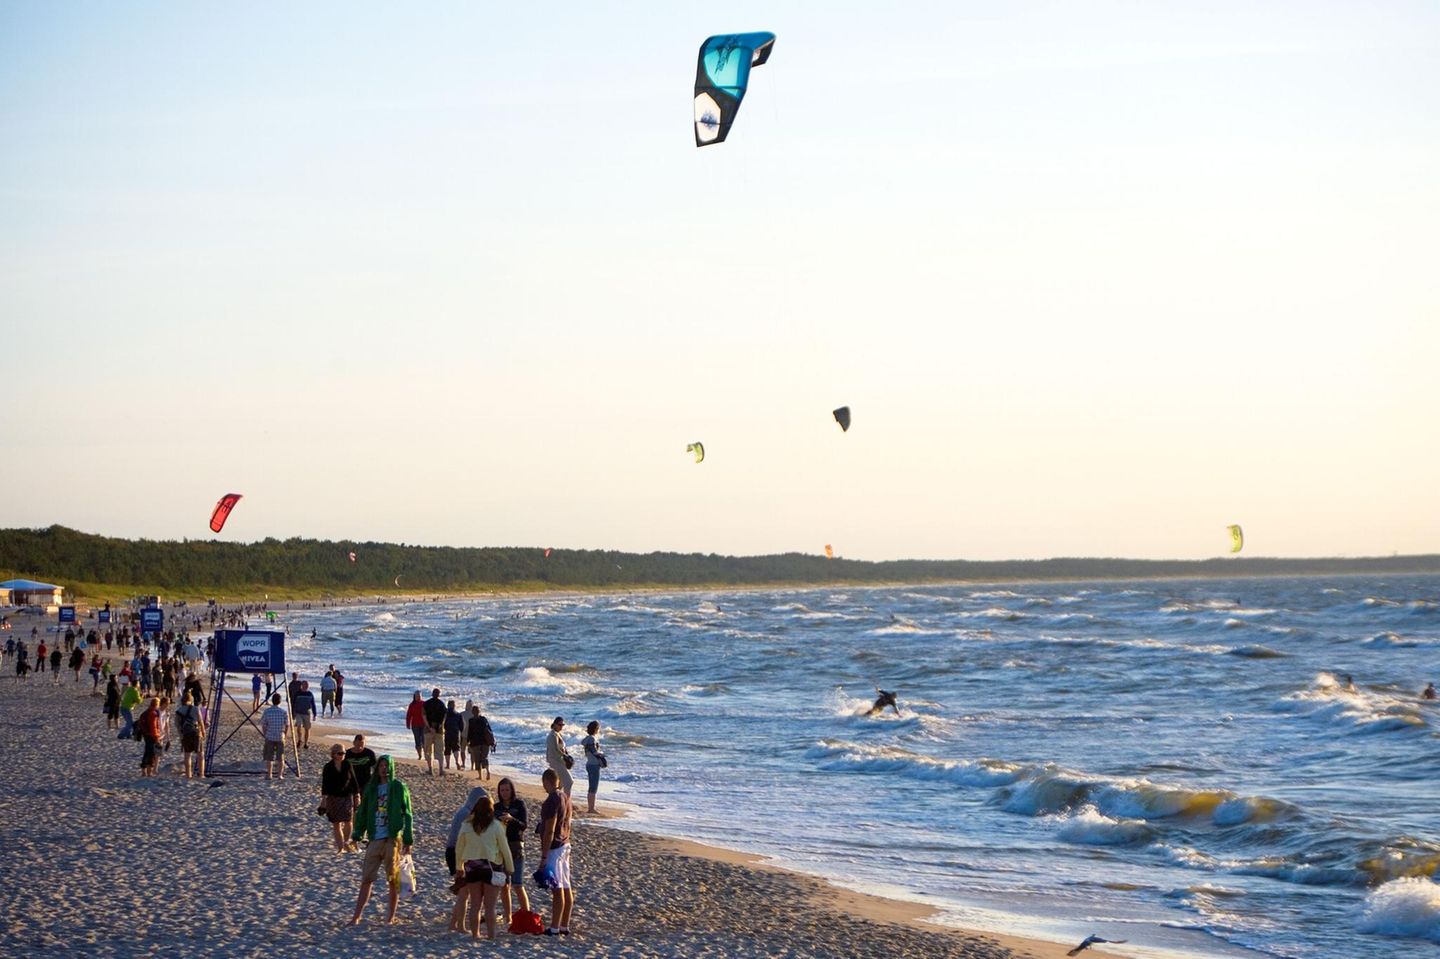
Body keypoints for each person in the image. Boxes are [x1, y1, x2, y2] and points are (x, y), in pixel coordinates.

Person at [349, 755, 413, 926]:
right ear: (377, 768)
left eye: (387, 765)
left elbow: (408, 813)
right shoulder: (371, 788)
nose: (384, 768)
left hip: (392, 839)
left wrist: (408, 839)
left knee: (392, 879)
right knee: (366, 878)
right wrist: (356, 835)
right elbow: (362, 812)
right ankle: (356, 916)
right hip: (374, 839)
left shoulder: (398, 787)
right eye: (381, 766)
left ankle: (390, 917)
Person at [453, 795, 513, 940]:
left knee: (475, 904)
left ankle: (475, 934)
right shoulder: (496, 825)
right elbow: (504, 848)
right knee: (490, 906)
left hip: (472, 867)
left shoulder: (466, 825)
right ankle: (491, 935)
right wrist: (509, 867)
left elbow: (459, 847)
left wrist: (459, 866)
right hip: (491, 867)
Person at [445, 786, 492, 931]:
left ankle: (454, 924)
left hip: (454, 852)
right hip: (457, 854)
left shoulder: (465, 811)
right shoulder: (467, 815)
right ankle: (459, 925)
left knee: (462, 892)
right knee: (464, 893)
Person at [537, 767, 574, 936]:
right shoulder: (566, 797)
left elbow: (549, 830)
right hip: (565, 843)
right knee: (566, 885)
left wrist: (544, 856)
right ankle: (564, 925)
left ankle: (554, 927)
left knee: (556, 887)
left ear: (546, 782)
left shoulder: (551, 801)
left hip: (555, 847)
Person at [495, 777, 531, 923]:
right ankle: (508, 916)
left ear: (512, 790)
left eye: (507, 790)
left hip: (516, 846)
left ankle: (526, 915)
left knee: (518, 884)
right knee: (504, 884)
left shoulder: (519, 804)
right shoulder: (496, 807)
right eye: (502, 790)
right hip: (501, 847)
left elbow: (524, 825)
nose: (504, 793)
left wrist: (511, 819)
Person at [321, 743, 361, 853]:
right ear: (333, 754)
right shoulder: (328, 767)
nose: (342, 755)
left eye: (344, 753)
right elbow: (325, 784)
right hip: (333, 797)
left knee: (348, 821)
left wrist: (357, 795)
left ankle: (346, 842)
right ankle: (340, 847)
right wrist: (323, 800)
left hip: (347, 796)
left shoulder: (347, 764)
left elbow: (354, 780)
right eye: (340, 753)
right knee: (336, 823)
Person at [176, 691, 206, 778]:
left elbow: (177, 725)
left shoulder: (178, 711)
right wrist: (203, 731)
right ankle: (201, 774)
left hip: (185, 733)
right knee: (200, 754)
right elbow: (200, 721)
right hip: (196, 732)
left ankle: (188, 774)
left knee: (187, 754)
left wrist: (181, 735)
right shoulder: (195, 708)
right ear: (191, 700)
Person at [260, 693, 289, 780]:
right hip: (280, 736)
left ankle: (269, 774)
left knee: (269, 757)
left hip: (270, 736)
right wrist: (285, 734)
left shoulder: (267, 711)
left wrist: (265, 734)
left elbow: (264, 724)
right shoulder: (283, 712)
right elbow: (287, 725)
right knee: (281, 757)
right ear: (280, 701)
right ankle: (280, 775)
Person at [581, 720, 607, 814]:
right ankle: (591, 808)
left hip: (589, 763)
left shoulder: (587, 739)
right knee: (593, 788)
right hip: (594, 765)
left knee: (592, 787)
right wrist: (603, 754)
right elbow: (594, 751)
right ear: (596, 729)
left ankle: (591, 807)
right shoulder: (592, 739)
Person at [545, 716, 574, 797]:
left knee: (560, 783)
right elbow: (555, 750)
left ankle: (558, 799)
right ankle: (566, 800)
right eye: (559, 724)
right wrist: (565, 756)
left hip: (559, 761)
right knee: (569, 781)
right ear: (554, 724)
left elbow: (561, 748)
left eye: (562, 725)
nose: (561, 726)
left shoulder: (557, 734)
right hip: (556, 761)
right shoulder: (552, 735)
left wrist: (567, 755)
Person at [467, 705, 496, 781]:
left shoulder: (471, 721)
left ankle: (480, 776)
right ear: (479, 711)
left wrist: (468, 742)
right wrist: (492, 740)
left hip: (475, 742)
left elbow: (469, 733)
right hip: (485, 742)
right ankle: (488, 772)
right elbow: (490, 730)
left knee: (477, 759)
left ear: (472, 712)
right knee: (484, 758)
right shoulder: (483, 719)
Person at [422, 688, 447, 776]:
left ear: (432, 694)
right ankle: (441, 770)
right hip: (439, 731)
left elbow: (424, 716)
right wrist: (438, 727)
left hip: (428, 730)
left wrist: (429, 727)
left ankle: (430, 769)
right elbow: (443, 718)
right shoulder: (441, 704)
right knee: (440, 751)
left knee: (428, 751)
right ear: (439, 695)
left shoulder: (426, 703)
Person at [136, 697, 162, 778]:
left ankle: (143, 771)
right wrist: (157, 738)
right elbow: (153, 727)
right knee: (151, 754)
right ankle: (149, 772)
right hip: (151, 735)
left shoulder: (145, 712)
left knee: (147, 752)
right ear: (157, 705)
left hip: (145, 734)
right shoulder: (153, 713)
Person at [292, 681, 317, 749]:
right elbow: (293, 703)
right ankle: (299, 740)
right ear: (301, 685)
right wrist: (292, 713)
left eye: (307, 685)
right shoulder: (298, 693)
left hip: (307, 713)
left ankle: (306, 743)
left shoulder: (310, 694)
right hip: (298, 713)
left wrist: (315, 714)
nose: (306, 686)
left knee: (307, 729)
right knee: (299, 726)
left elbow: (313, 704)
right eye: (304, 685)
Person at [404, 690, 426, 762]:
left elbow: (428, 714)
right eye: (417, 696)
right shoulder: (412, 705)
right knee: (417, 741)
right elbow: (409, 715)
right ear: (415, 696)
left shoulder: (424, 704)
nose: (418, 697)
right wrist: (408, 724)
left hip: (424, 725)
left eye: (420, 696)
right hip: (415, 725)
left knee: (424, 740)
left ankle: (426, 755)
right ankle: (419, 755)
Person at [443, 700, 464, 773]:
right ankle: (457, 761)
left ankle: (448, 764)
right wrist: (460, 732)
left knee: (447, 749)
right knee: (456, 748)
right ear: (454, 706)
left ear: (448, 705)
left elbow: (444, 724)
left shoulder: (445, 714)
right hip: (455, 733)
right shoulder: (458, 714)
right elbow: (462, 726)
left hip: (447, 732)